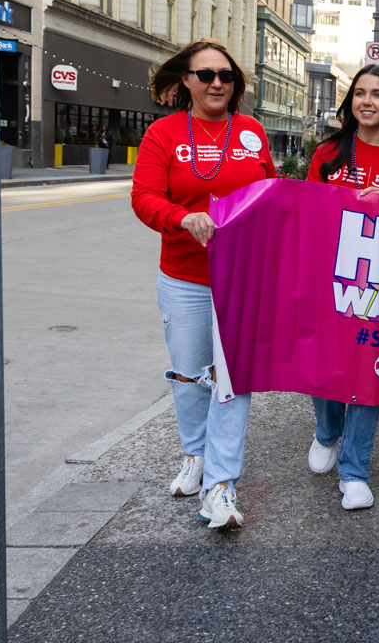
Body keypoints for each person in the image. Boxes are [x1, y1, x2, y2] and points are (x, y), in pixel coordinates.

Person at [131, 38, 276, 530]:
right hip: (185, 278)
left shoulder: (252, 132)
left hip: (242, 278)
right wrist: (181, 217)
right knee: (190, 375)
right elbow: (144, 197)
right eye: (207, 74)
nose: (218, 83)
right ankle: (195, 454)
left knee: (233, 380)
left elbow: (273, 195)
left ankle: (221, 483)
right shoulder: (163, 133)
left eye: (226, 75)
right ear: (186, 80)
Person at [306, 64, 379, 510]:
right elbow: (306, 212)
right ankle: (326, 431)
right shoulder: (328, 153)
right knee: (324, 366)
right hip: (328, 278)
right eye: (360, 93)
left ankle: (354, 471)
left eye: (378, 93)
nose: (367, 101)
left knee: (368, 374)